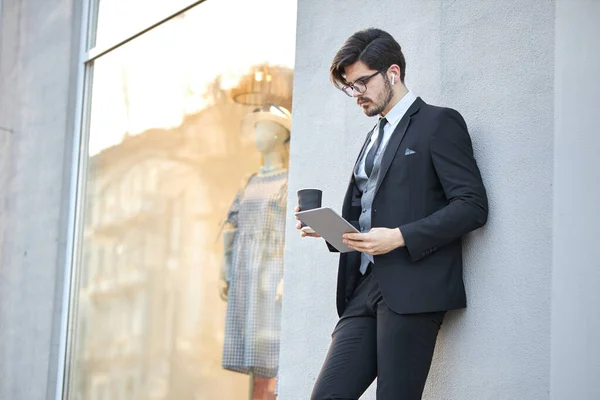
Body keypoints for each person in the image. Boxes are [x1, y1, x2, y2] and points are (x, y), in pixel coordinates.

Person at [295, 28, 488, 400]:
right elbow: (372, 208)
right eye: (350, 87)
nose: (356, 95)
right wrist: (331, 229)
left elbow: (472, 206)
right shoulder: (373, 137)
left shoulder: (438, 123)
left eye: (362, 83)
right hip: (364, 287)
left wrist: (399, 237)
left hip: (414, 287)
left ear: (393, 73)